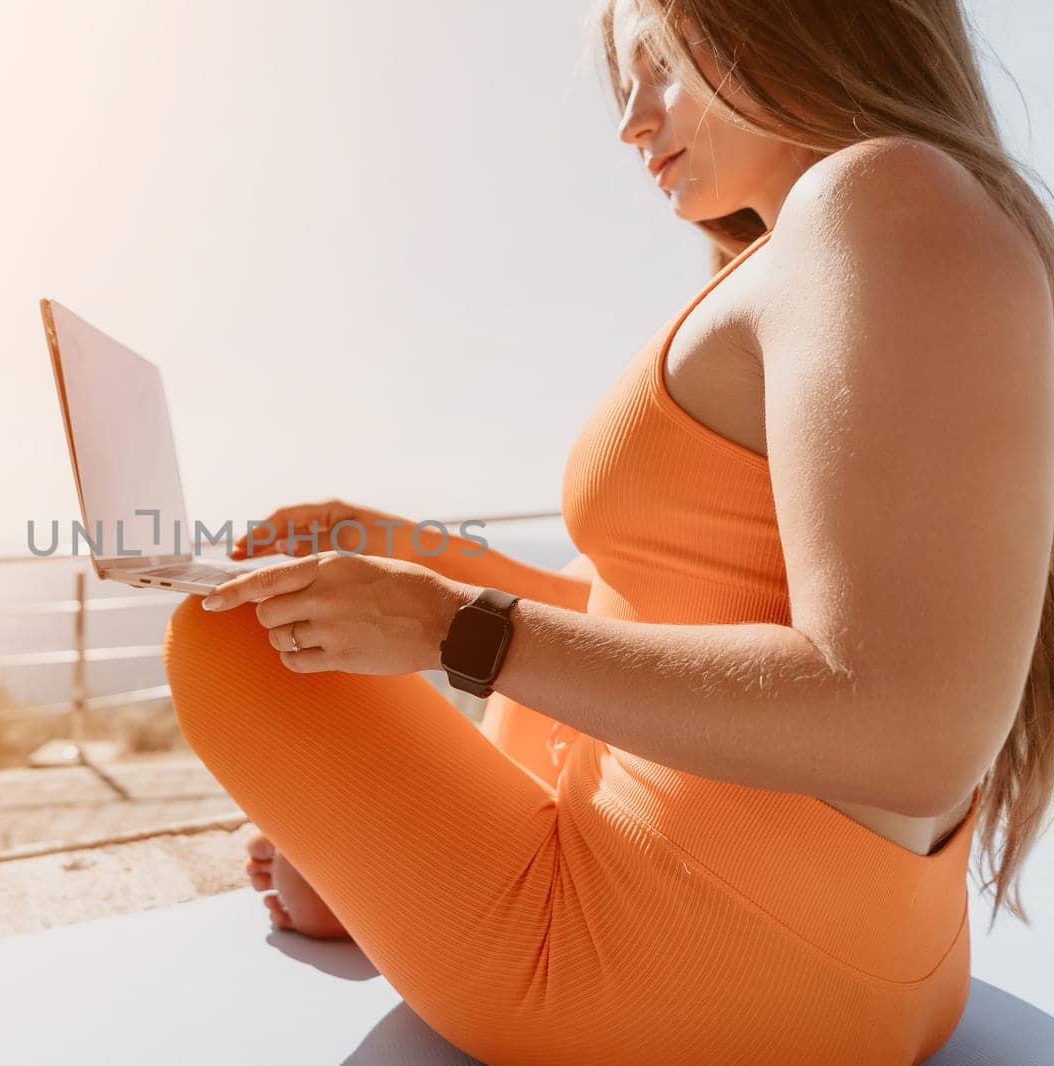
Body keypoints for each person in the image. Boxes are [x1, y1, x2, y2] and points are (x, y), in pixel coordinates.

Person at [160, 0, 1054, 1061]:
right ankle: (387, 878)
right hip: (848, 954)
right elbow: (655, 612)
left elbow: (911, 726)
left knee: (231, 634)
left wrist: (454, 627)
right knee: (522, 687)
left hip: (701, 968)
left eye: (663, 65)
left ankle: (398, 883)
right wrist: (412, 554)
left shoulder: (882, 200)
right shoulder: (844, 241)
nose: (632, 120)